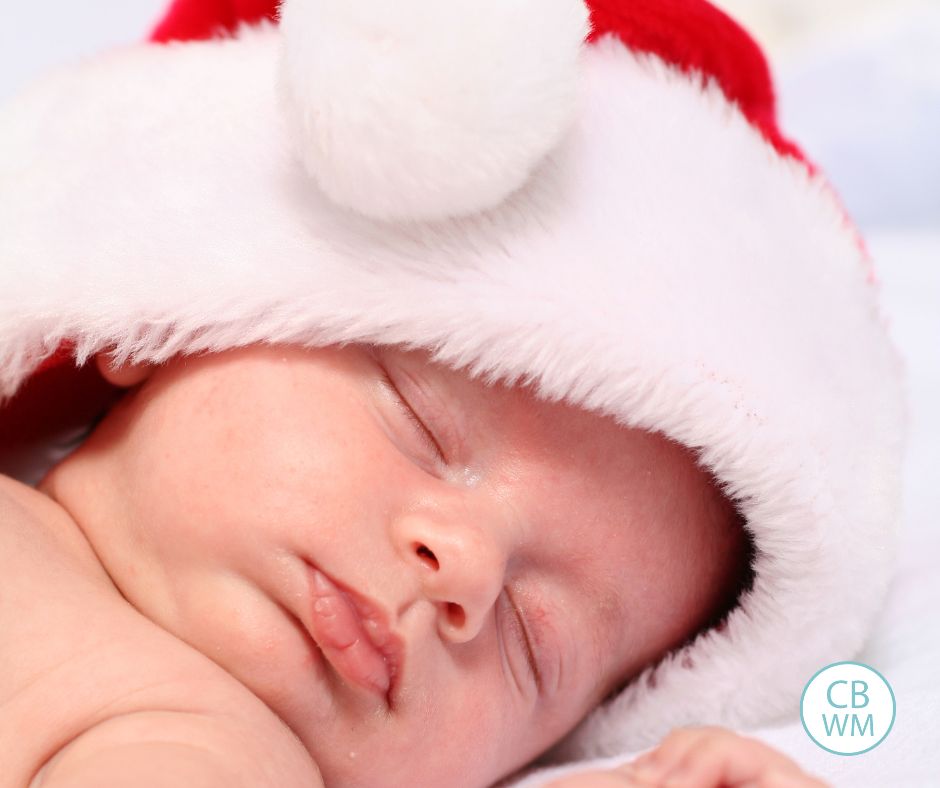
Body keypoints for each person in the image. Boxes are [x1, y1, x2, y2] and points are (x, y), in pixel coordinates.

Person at [0, 0, 905, 786]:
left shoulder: (191, 740)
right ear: (158, 322)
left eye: (533, 642)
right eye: (420, 426)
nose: (464, 565)